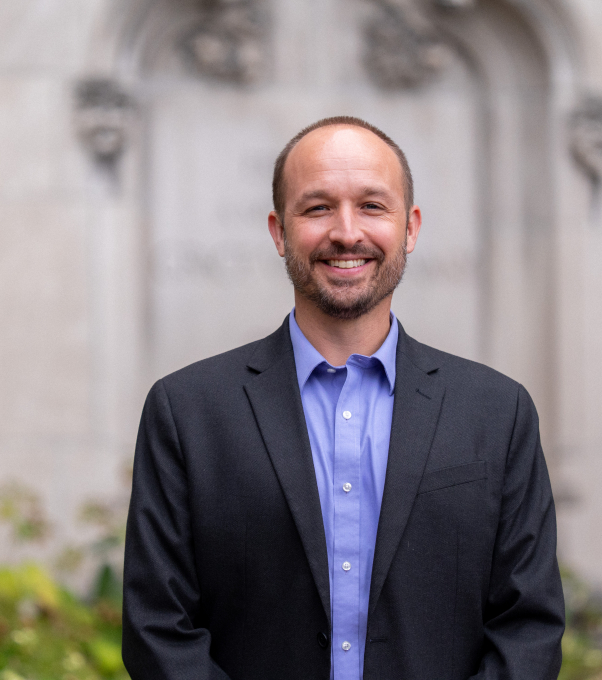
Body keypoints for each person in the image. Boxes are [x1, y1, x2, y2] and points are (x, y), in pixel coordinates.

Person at [122, 116, 565, 680]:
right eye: (317, 208)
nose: (347, 231)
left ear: (411, 228)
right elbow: (157, 630)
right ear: (279, 231)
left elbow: (529, 627)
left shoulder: (497, 413)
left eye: (373, 206)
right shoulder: (186, 412)